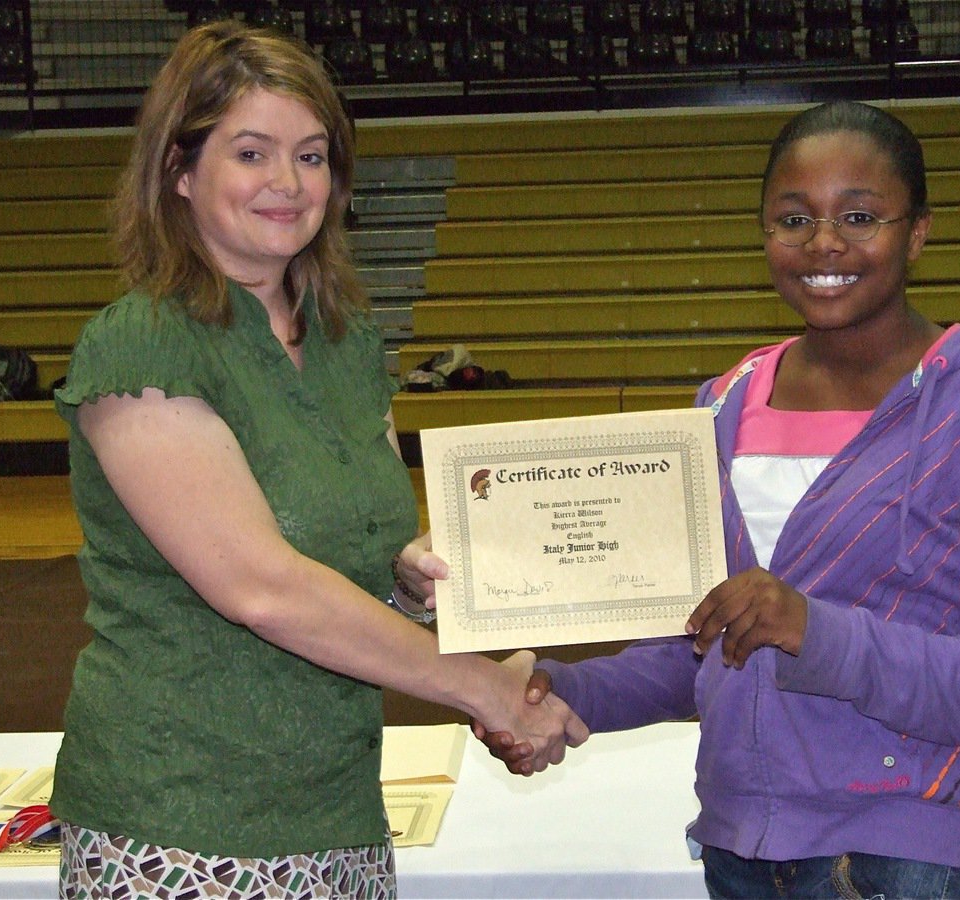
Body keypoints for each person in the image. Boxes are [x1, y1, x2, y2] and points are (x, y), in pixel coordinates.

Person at [474, 100, 960, 899]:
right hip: (743, 853)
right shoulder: (723, 404)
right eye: (793, 218)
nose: (824, 243)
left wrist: (814, 631)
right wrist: (558, 691)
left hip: (914, 861)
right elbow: (700, 646)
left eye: (860, 215)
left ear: (918, 232)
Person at [50, 21, 586, 899]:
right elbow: (262, 586)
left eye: (311, 156)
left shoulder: (345, 342)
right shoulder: (142, 342)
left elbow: (340, 542)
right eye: (251, 152)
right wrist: (481, 689)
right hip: (179, 826)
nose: (287, 184)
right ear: (181, 173)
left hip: (336, 812)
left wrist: (404, 568)